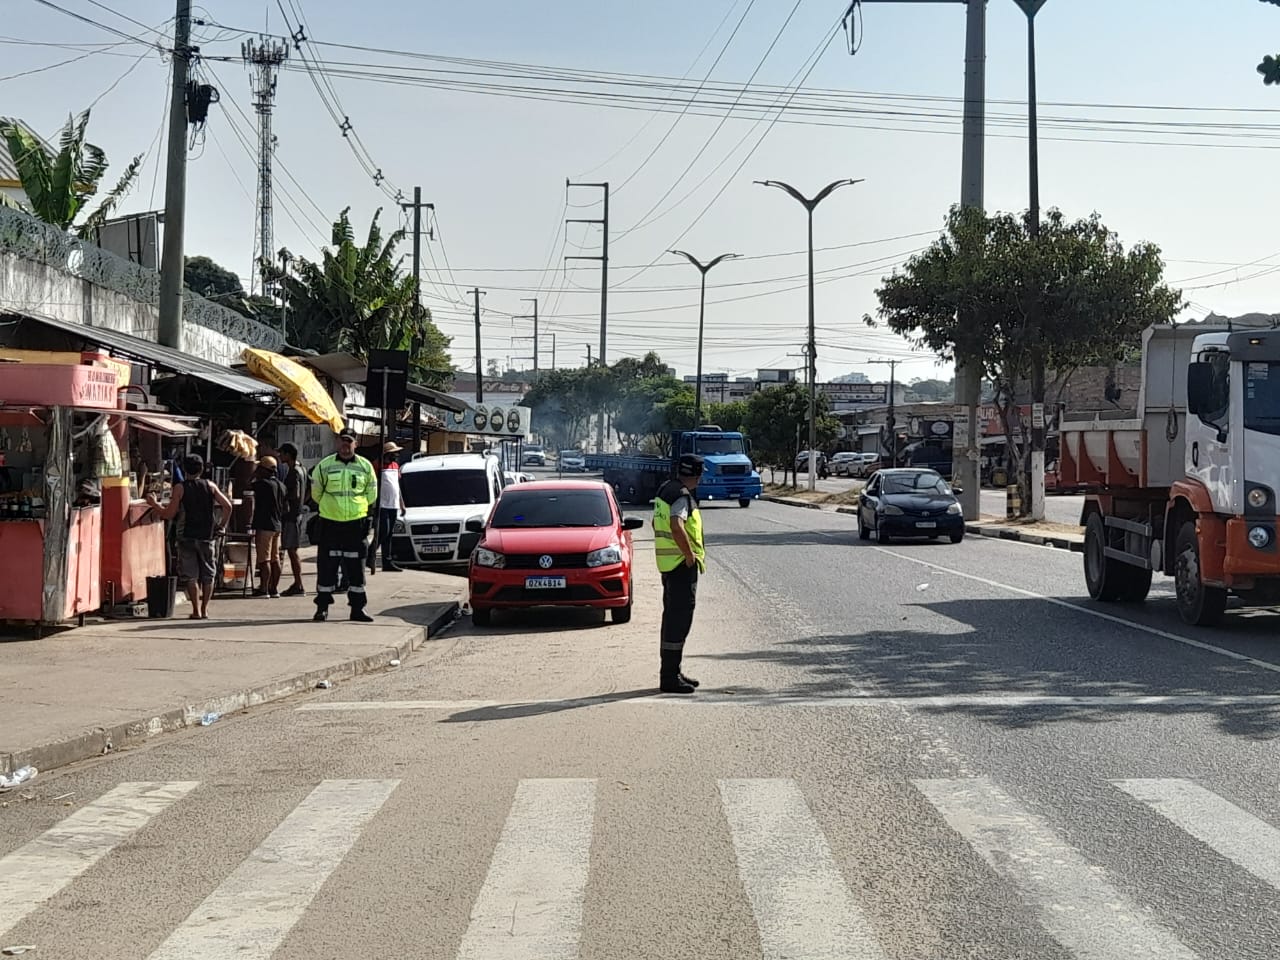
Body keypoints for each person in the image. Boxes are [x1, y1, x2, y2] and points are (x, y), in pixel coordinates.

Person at [146, 454, 233, 620]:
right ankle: (205, 609)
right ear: (201, 469)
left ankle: (196, 610)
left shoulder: (180, 488)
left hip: (186, 536)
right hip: (207, 536)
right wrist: (221, 526)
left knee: (191, 575)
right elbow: (227, 506)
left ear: (185, 470)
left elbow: (169, 513)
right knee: (208, 574)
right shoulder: (210, 485)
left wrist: (154, 504)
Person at [652, 454, 706, 694]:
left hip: (668, 566)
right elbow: (676, 525)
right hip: (680, 567)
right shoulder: (682, 496)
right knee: (679, 621)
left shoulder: (666, 489)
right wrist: (688, 555)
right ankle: (669, 678)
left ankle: (673, 671)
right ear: (696, 474)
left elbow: (656, 524)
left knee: (672, 619)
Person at [310, 430, 377, 622]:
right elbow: (316, 493)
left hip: (356, 525)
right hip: (330, 524)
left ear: (355, 444)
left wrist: (358, 509)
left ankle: (357, 609)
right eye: (342, 441)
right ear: (337, 442)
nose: (345, 445)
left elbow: (371, 494)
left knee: (356, 568)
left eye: (349, 442)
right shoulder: (325, 465)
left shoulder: (365, 467)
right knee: (326, 567)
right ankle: (322, 608)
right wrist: (331, 508)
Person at [251, 456, 286, 597]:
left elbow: (247, 486)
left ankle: (263, 588)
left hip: (265, 525)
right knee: (275, 558)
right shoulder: (281, 485)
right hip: (277, 525)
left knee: (263, 558)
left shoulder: (262, 484)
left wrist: (254, 475)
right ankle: (274, 588)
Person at [277, 443, 307, 596]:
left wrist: (282, 497)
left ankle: (299, 584)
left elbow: (294, 493)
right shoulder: (301, 469)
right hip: (298, 513)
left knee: (292, 550)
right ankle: (297, 583)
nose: (280, 456)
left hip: (292, 516)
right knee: (291, 550)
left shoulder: (294, 472)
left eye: (282, 453)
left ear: (288, 455)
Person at [377, 440, 407, 572]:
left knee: (389, 534)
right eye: (393, 453)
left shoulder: (395, 466)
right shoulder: (377, 465)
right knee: (383, 532)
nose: (396, 455)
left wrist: (402, 504)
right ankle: (369, 555)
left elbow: (397, 486)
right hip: (382, 504)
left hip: (393, 504)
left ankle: (387, 561)